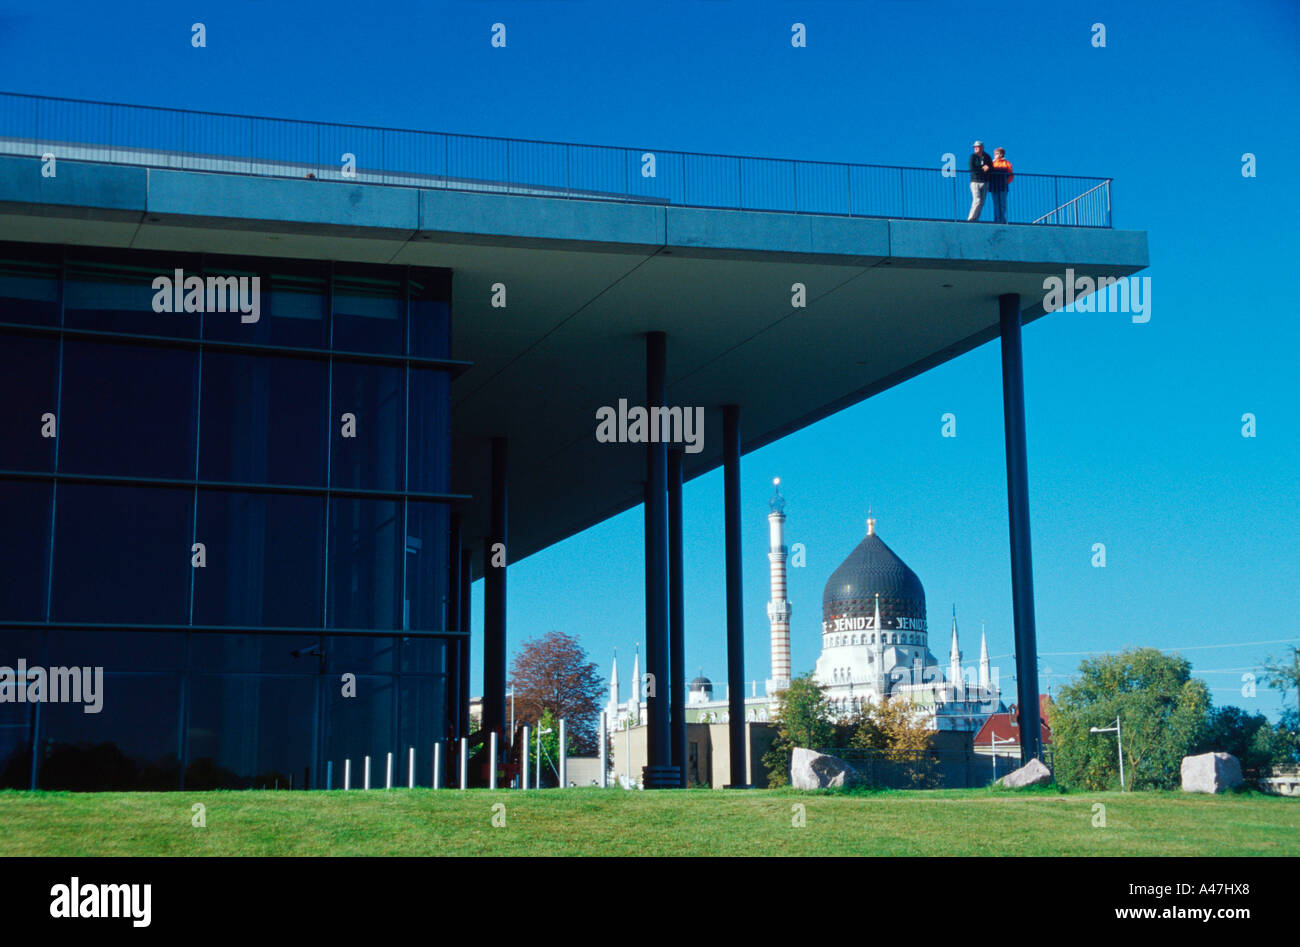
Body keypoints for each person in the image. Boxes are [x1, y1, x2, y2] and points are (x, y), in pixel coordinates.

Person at [967, 141, 992, 221]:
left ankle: (976, 218)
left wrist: (987, 168)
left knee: (982, 202)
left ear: (982, 147)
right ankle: (971, 218)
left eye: (977, 146)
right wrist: (982, 169)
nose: (975, 148)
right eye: (974, 147)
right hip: (975, 182)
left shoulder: (987, 157)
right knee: (977, 200)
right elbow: (972, 168)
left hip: (985, 182)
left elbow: (991, 168)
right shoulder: (973, 157)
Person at [990, 147, 1014, 223]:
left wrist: (1005, 182)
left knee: (1002, 204)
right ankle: (997, 220)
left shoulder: (1006, 163)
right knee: (996, 204)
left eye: (997, 153)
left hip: (1003, 186)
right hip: (994, 187)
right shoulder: (992, 163)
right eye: (995, 154)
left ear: (1001, 154)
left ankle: (1002, 220)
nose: (995, 155)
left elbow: (1011, 175)